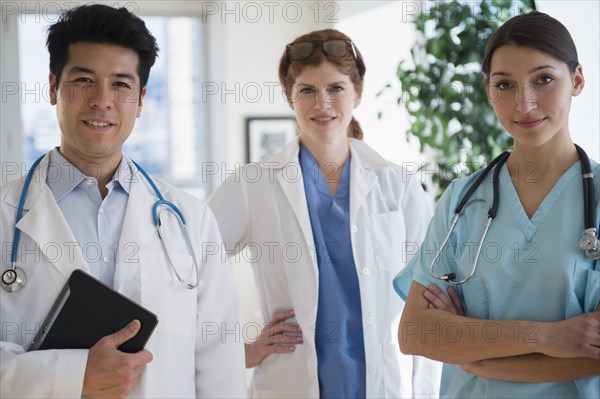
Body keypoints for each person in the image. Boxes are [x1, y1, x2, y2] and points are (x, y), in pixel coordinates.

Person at [0, 4, 246, 398]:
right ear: (52, 88)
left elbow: (220, 365)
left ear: (141, 98)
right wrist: (71, 376)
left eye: (120, 84)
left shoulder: (190, 220)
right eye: (83, 80)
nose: (102, 100)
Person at [208, 29, 441, 398]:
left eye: (335, 88)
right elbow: (184, 267)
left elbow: (430, 302)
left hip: (377, 387)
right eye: (307, 90)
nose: (323, 103)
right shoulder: (254, 184)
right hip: (288, 385)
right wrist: (240, 351)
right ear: (289, 97)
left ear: (358, 94)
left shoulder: (398, 186)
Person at [395, 10, 600, 398]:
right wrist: (549, 337)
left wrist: (477, 356)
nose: (524, 103)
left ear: (576, 80)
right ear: (488, 90)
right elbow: (416, 332)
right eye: (505, 84)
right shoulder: (461, 199)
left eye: (544, 79)